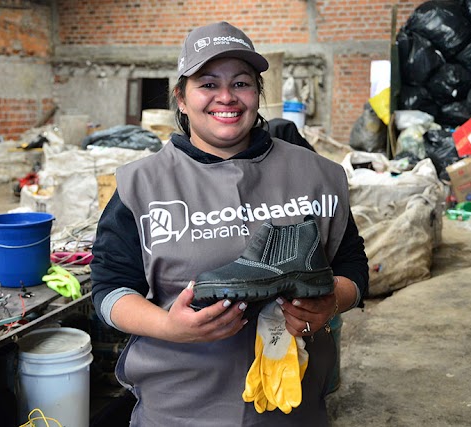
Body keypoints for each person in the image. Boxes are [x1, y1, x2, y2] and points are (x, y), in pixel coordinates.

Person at [91, 21, 368, 426]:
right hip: (179, 408)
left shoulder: (316, 174)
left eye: (241, 83)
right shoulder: (143, 184)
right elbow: (109, 288)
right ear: (181, 99)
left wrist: (330, 303)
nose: (226, 97)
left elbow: (352, 266)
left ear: (258, 93)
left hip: (293, 407)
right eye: (207, 84)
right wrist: (169, 326)